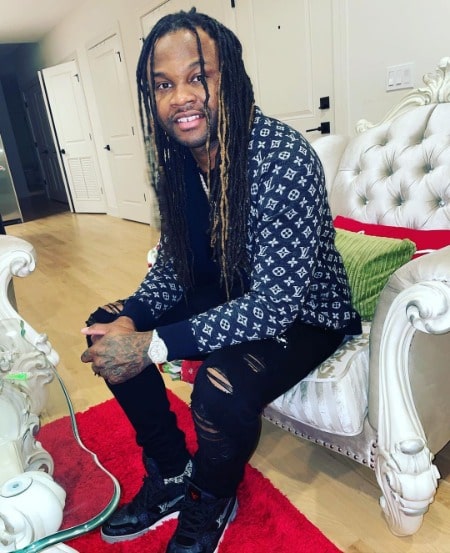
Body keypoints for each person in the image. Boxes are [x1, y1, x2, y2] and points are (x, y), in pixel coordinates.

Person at [80, 8, 361, 553]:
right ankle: (171, 471)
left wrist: (155, 344)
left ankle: (210, 497)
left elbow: (275, 305)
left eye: (197, 77)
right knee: (105, 328)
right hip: (230, 290)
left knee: (219, 386)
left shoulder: (282, 158)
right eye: (164, 84)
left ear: (227, 77)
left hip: (305, 312)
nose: (181, 97)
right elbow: (175, 265)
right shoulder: (177, 160)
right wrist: (133, 318)